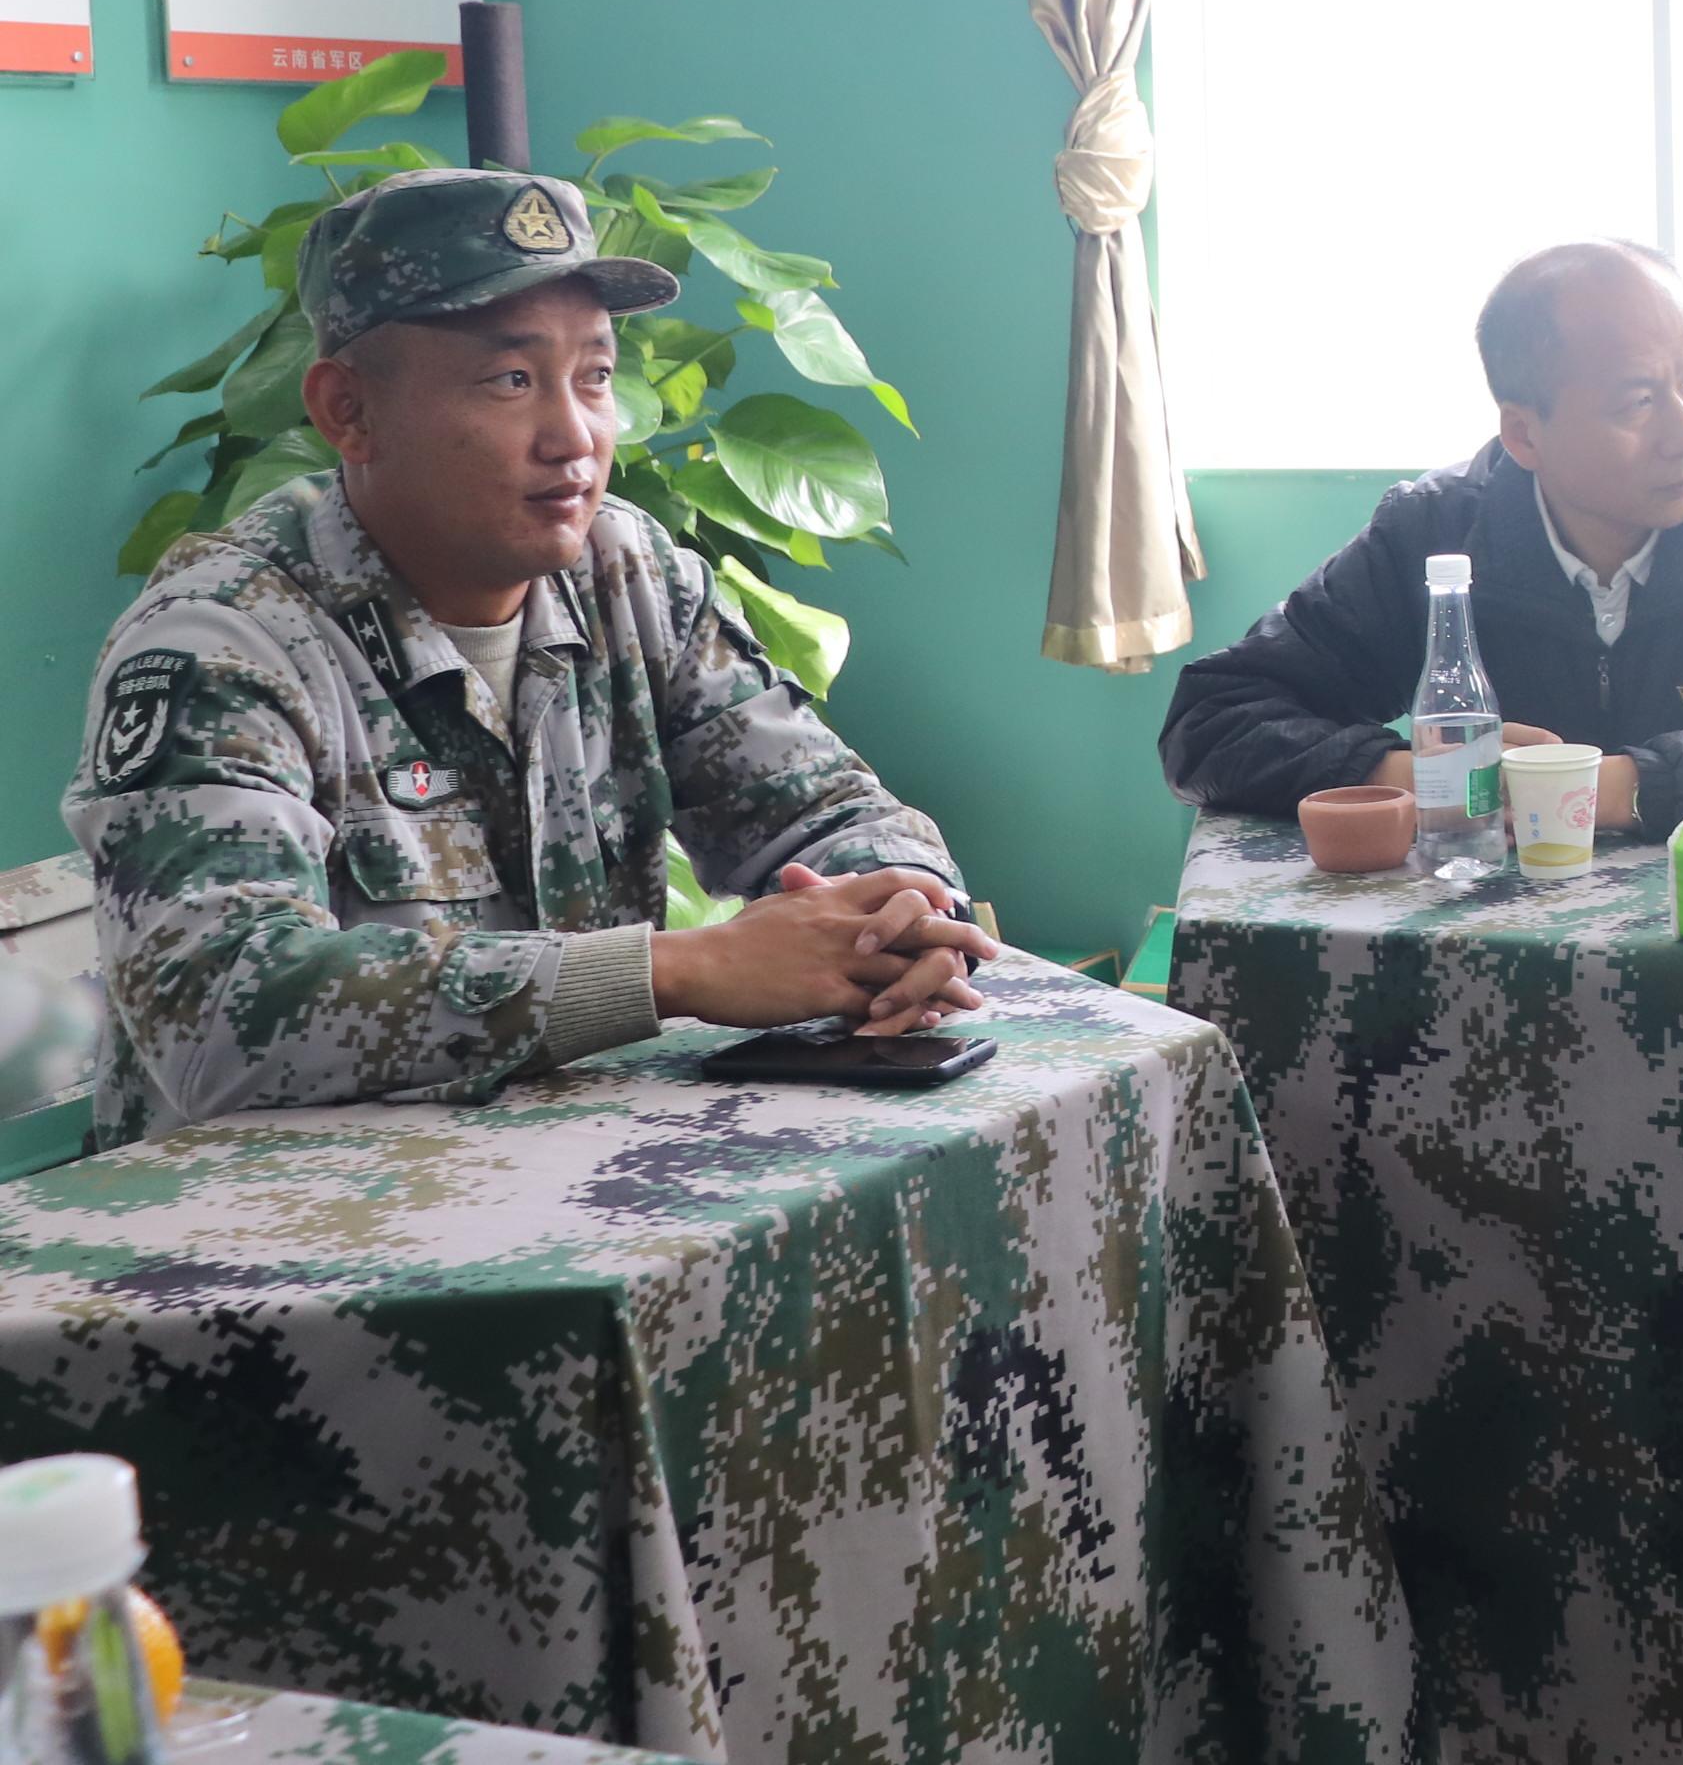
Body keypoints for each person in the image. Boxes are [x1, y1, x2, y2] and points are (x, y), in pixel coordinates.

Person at [65, 167, 994, 1146]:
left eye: (594, 376)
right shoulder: (223, 639)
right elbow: (218, 1012)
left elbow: (829, 809)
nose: (574, 437)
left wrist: (900, 915)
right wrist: (674, 971)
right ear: (348, 412)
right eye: (511, 380)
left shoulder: (627, 573)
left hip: (564, 1179)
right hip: (267, 1220)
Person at [1159, 241, 1683, 830]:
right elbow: (1211, 720)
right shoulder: (1440, 531)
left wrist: (1614, 786)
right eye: (1638, 402)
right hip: (1495, 947)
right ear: (1525, 434)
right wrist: (1422, 774)